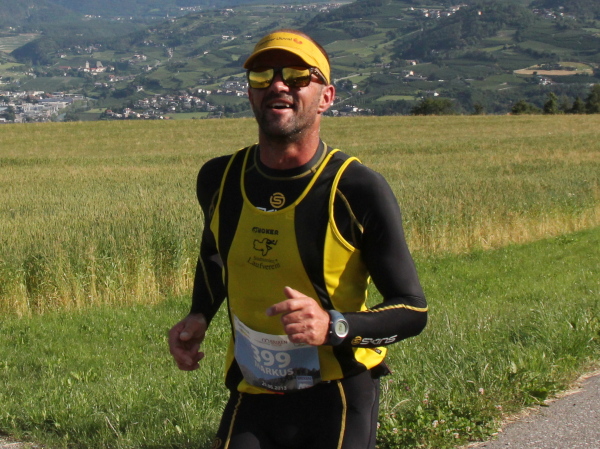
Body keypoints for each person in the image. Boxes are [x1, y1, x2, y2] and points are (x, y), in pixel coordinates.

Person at [168, 29, 428, 449]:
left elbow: (413, 310)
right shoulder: (219, 179)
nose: (277, 85)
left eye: (297, 75)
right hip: (254, 389)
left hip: (338, 394)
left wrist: (334, 325)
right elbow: (214, 254)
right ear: (250, 94)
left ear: (326, 97)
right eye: (262, 76)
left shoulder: (356, 189)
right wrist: (199, 314)